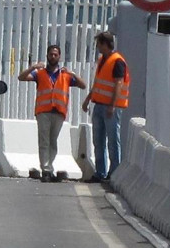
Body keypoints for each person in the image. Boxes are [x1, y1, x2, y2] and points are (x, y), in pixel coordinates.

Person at [18, 44, 86, 182]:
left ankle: (49, 166)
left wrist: (73, 73)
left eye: (55, 54)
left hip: (58, 112)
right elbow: (21, 77)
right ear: (47, 56)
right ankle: (46, 170)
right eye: (51, 54)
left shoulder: (65, 75)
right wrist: (33, 67)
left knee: (53, 141)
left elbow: (83, 85)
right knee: (44, 140)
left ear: (59, 56)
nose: (53, 57)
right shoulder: (40, 73)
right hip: (43, 111)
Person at [81, 31, 129, 183]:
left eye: (99, 44)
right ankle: (100, 172)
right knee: (98, 140)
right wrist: (88, 99)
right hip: (99, 104)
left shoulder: (117, 61)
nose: (98, 48)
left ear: (105, 44)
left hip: (110, 107)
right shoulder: (102, 60)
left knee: (113, 140)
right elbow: (98, 83)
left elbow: (118, 84)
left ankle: (113, 172)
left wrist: (112, 105)